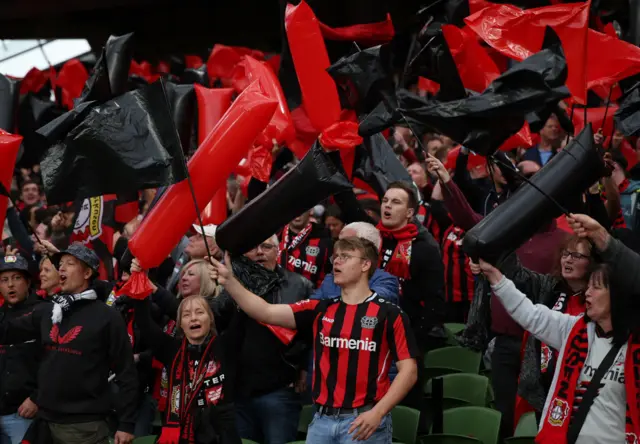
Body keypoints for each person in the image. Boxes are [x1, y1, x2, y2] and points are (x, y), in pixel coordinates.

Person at [212, 237, 419, 444]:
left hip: (364, 420)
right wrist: (230, 282)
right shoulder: (320, 308)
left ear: (365, 265)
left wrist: (378, 412)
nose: (337, 261)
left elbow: (409, 371)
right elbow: (265, 312)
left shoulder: (390, 314)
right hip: (321, 421)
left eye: (345, 257)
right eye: (336, 257)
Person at [476, 260, 640, 444]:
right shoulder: (573, 329)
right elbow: (530, 314)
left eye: (597, 287)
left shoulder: (635, 349)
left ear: (617, 296)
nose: (587, 293)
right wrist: (494, 276)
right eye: (588, 286)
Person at [0, 243, 138, 444]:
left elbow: (127, 372)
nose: (61, 268)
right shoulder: (48, 311)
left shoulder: (107, 317)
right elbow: (5, 333)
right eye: (60, 264)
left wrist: (126, 424)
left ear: (87, 272)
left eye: (69, 264)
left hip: (84, 427)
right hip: (44, 424)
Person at [211, 235, 312, 444]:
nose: (259, 252)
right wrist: (233, 286)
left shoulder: (299, 285)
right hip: (239, 388)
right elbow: (217, 317)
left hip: (279, 388)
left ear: (278, 251)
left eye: (266, 247)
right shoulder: (235, 282)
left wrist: (302, 367)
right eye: (253, 247)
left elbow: (309, 333)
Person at [132, 282, 242, 444]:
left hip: (221, 435)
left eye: (199, 312)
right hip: (179, 432)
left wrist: (231, 279)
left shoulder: (225, 346)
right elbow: (144, 322)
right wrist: (139, 282)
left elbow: (241, 316)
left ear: (210, 320)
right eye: (186, 315)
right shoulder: (170, 348)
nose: (194, 318)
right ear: (180, 324)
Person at [378, 181, 446, 350]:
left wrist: (413, 338)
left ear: (409, 213)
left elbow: (434, 303)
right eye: (385, 200)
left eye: (396, 202)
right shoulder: (372, 239)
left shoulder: (424, 248)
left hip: (405, 338)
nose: (387, 206)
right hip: (369, 331)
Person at [0, 255, 42, 444]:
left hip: (23, 413)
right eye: (4, 280)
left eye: (16, 278)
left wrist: (37, 398)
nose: (10, 285)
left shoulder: (43, 312)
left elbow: (57, 362)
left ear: (28, 282)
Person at [312, 222, 399, 304]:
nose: (336, 260)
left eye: (346, 245)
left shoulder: (385, 281)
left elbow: (368, 305)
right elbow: (309, 308)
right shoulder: (331, 278)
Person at [279, 209, 333, 289]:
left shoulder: (325, 241)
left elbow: (329, 277)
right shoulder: (275, 233)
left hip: (308, 298)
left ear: (311, 210)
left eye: (301, 208)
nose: (297, 214)